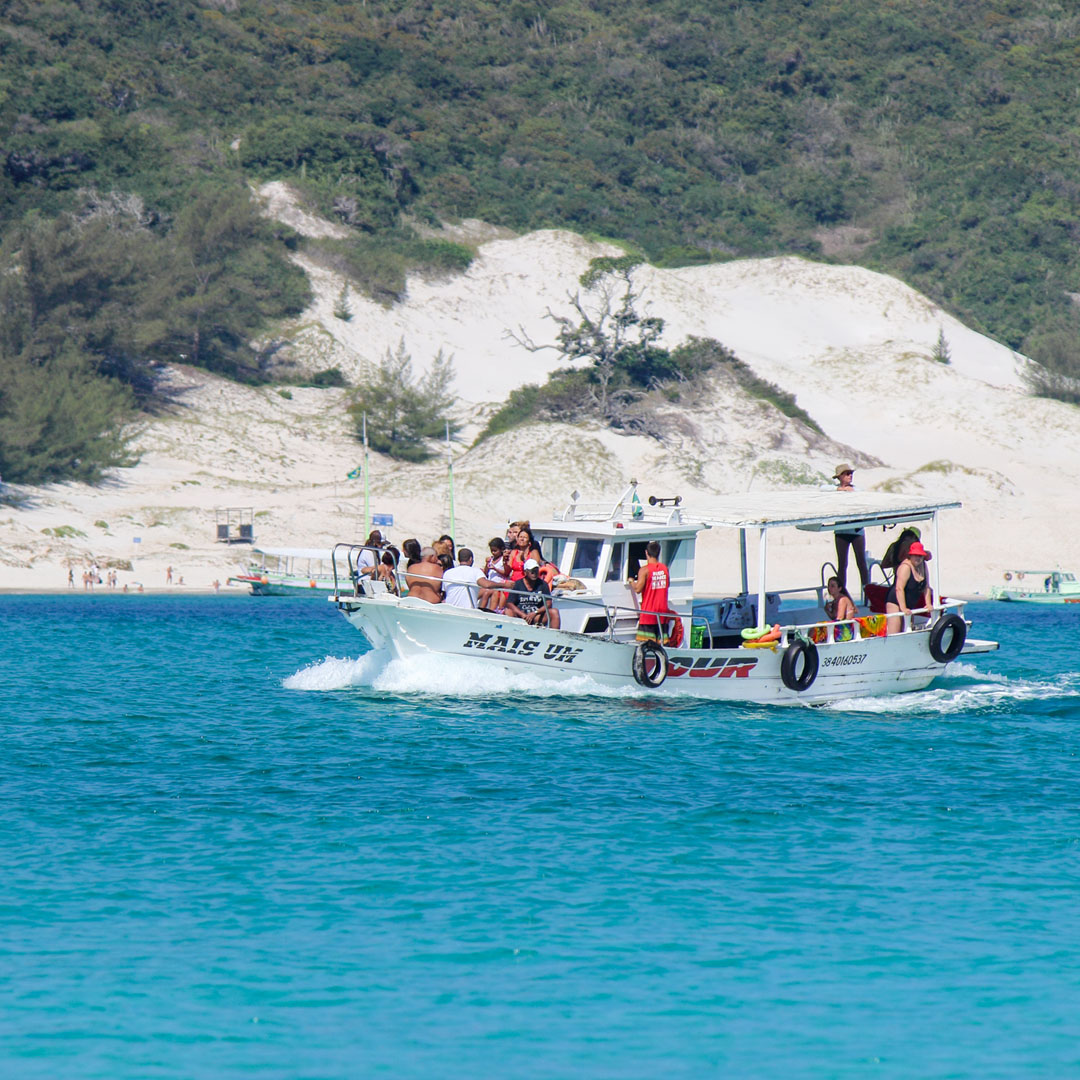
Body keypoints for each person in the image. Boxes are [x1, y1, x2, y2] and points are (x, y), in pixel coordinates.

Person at [832, 464, 869, 599]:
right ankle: (841, 595)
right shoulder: (834, 490)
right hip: (841, 531)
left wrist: (851, 491)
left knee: (861, 562)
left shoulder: (857, 490)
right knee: (842, 564)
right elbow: (823, 489)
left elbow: (864, 494)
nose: (850, 476)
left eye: (850, 473)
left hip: (856, 530)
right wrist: (840, 490)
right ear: (840, 477)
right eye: (846, 474)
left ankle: (867, 593)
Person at [886, 540, 932, 634]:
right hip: (895, 602)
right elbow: (899, 588)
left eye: (920, 556)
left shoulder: (923, 566)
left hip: (909, 604)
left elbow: (926, 587)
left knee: (908, 630)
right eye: (915, 555)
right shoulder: (905, 567)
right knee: (895, 632)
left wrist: (928, 603)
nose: (918, 558)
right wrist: (903, 608)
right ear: (910, 555)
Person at [630, 539, 672, 643]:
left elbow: (638, 589)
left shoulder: (644, 570)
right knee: (661, 644)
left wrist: (631, 581)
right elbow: (667, 584)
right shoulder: (664, 568)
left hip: (648, 614)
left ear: (646, 553)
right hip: (662, 613)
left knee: (646, 645)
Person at [506, 558, 560, 628]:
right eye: (532, 571)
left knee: (554, 612)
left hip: (537, 615)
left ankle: (554, 637)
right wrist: (522, 614)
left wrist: (535, 613)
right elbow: (509, 603)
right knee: (508, 612)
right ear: (525, 572)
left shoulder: (543, 584)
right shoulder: (517, 584)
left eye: (536, 570)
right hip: (520, 615)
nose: (534, 573)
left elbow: (548, 603)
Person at [480, 537, 511, 611]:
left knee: (487, 593)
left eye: (495, 551)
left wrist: (495, 569)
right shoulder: (491, 559)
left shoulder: (503, 560)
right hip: (490, 583)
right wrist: (487, 564)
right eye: (492, 551)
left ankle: (487, 609)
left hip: (499, 585)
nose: (493, 553)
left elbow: (506, 573)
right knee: (483, 591)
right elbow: (485, 573)